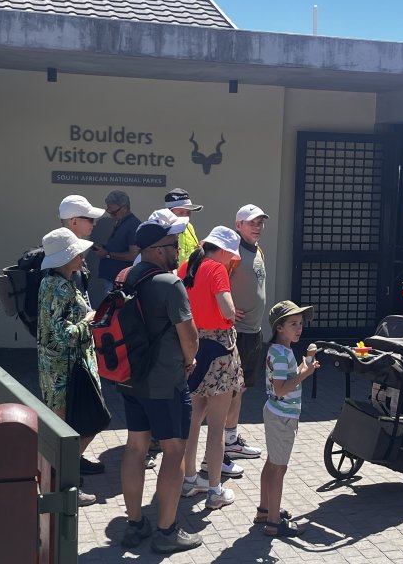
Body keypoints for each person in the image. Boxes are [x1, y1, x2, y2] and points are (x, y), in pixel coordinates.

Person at [116, 213, 203, 554]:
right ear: (156, 250)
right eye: (173, 245)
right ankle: (167, 531)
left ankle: (135, 524)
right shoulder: (170, 284)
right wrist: (189, 360)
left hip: (129, 378)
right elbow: (190, 338)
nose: (178, 249)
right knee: (173, 450)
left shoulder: (125, 277)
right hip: (165, 382)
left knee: (135, 447)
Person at [36, 228, 104, 506]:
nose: (82, 256)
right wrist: (89, 320)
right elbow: (63, 335)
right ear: (65, 258)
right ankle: (63, 487)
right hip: (67, 370)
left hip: (53, 366)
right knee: (83, 423)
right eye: (77, 252)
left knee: (63, 427)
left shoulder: (48, 283)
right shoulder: (62, 288)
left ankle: (63, 476)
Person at [179, 226, 244, 507]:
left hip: (191, 345)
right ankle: (215, 491)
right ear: (225, 251)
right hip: (219, 349)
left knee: (193, 420)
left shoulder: (185, 267)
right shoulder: (216, 269)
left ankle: (189, 479)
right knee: (217, 426)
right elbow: (227, 308)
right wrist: (231, 316)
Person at [257, 300, 318, 537]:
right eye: (293, 323)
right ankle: (273, 522)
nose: (299, 328)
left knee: (272, 463)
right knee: (279, 469)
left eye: (300, 323)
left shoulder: (280, 350)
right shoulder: (281, 354)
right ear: (279, 327)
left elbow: (282, 381)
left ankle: (265, 509)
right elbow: (281, 388)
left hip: (275, 413)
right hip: (282, 416)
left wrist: (303, 366)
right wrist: (305, 372)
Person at [223, 204, 269, 463]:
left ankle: (230, 440)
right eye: (251, 222)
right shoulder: (232, 253)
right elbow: (214, 285)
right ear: (238, 225)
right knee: (229, 391)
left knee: (240, 389)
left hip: (254, 332)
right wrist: (226, 310)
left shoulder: (258, 250)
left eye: (260, 222)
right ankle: (222, 444)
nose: (257, 227)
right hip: (235, 333)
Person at [95, 190, 141, 293]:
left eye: (114, 212)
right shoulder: (122, 222)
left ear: (124, 208)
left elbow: (133, 255)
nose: (111, 215)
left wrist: (107, 254)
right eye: (109, 211)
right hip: (114, 279)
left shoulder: (133, 225)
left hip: (120, 282)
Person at [164, 188, 204, 265]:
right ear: (168, 212)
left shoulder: (189, 226)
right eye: (181, 212)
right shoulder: (161, 229)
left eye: (188, 212)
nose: (185, 216)